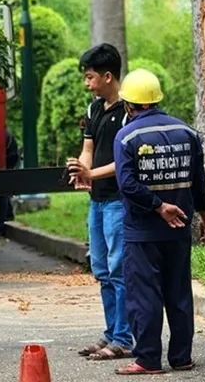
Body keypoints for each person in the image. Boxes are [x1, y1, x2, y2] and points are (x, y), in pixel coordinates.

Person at [111, 69, 205, 375]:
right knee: (179, 293)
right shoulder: (188, 133)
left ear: (129, 105)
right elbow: (199, 182)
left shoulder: (126, 136)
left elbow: (127, 185)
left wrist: (158, 207)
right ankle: (181, 357)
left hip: (143, 232)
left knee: (144, 295)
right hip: (180, 228)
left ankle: (148, 359)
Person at [66, 44, 134, 361]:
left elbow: (125, 161)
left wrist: (91, 172)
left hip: (119, 201)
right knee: (102, 269)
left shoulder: (129, 110)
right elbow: (88, 148)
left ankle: (124, 337)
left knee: (119, 269)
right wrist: (83, 171)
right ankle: (111, 334)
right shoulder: (95, 109)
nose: (87, 83)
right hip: (98, 201)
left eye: (90, 77)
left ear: (108, 76)